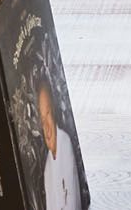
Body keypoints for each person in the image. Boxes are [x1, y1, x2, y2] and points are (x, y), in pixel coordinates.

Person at [34, 80, 86, 210]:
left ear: (54, 112)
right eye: (42, 120)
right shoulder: (47, 166)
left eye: (48, 114)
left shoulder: (65, 143)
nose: (46, 127)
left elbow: (72, 202)